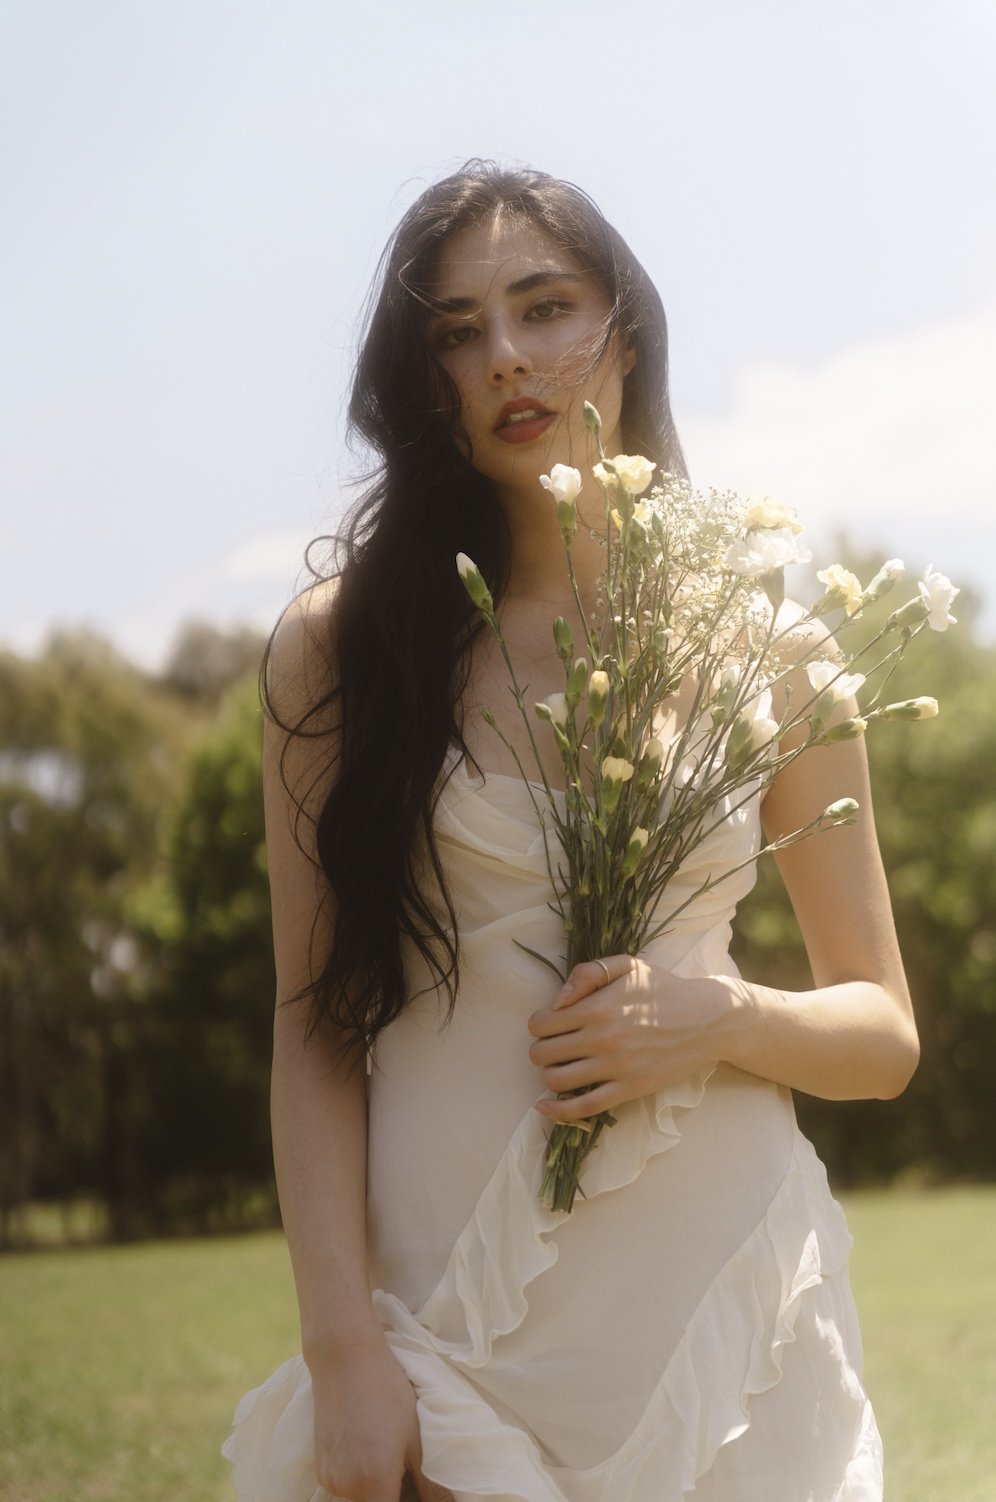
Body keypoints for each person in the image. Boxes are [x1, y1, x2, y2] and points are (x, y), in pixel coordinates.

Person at [223, 162, 917, 1502]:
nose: (507, 358)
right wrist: (344, 1344)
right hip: (450, 1348)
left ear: (624, 329)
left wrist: (711, 1014)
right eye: (458, 331)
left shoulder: (777, 655)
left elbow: (884, 1032)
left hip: (732, 1325)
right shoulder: (341, 653)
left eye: (545, 308)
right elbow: (314, 1022)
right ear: (426, 380)